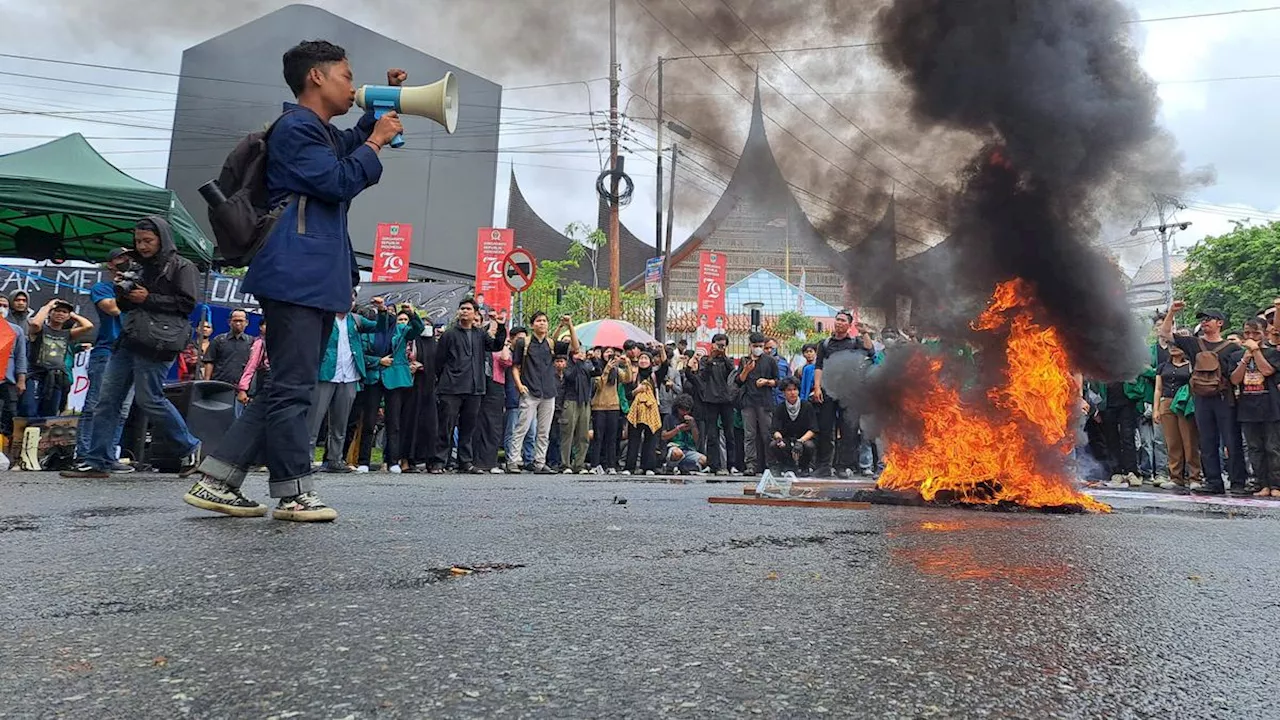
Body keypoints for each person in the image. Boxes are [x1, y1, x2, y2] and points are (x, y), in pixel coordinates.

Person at [182, 41, 406, 522]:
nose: (353, 86)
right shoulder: (297, 129)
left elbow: (346, 148)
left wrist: (384, 105)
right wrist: (375, 142)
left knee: (286, 385)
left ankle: (217, 481)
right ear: (317, 78)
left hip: (306, 274)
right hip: (296, 273)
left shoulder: (315, 130)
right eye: (347, 76)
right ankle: (293, 492)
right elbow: (339, 179)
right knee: (294, 388)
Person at [63, 217, 202, 479]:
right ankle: (98, 460)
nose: (143, 245)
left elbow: (187, 304)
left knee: (150, 399)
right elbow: (125, 307)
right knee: (107, 400)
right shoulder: (138, 267)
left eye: (148, 240)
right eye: (138, 241)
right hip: (129, 339)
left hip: (158, 342)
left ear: (162, 239)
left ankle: (190, 447)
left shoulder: (183, 266)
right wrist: (123, 294)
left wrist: (148, 298)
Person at [1159, 302, 1246, 494]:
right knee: (1206, 441)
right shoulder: (1194, 343)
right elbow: (1165, 335)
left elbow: (1234, 377)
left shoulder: (1232, 348)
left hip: (1225, 398)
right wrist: (1172, 312)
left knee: (1232, 441)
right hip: (1200, 398)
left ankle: (1238, 482)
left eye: (1209, 319)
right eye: (1202, 320)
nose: (1204, 322)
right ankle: (1213, 482)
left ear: (1220, 323)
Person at [306, 293, 381, 474]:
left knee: (340, 422)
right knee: (314, 421)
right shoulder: (324, 318)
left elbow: (380, 327)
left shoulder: (355, 320)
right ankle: (305, 459)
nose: (349, 301)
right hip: (326, 374)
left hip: (349, 376)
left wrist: (382, 310)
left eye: (352, 299)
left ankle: (335, 459)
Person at [75, 248, 135, 462]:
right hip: (107, 351)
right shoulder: (103, 288)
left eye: (129, 258)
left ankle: (107, 456)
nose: (126, 261)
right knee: (96, 405)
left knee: (123, 410)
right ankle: (84, 454)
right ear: (110, 264)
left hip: (132, 353)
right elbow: (111, 308)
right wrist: (125, 291)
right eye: (120, 258)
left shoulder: (139, 289)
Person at [434, 297, 507, 473]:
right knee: (446, 426)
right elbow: (439, 361)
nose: (465, 311)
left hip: (475, 388)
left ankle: (465, 462)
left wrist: (501, 326)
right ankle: (439, 461)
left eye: (468, 309)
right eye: (462, 308)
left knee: (469, 427)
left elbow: (496, 346)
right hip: (451, 388)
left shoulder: (480, 334)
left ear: (475, 313)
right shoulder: (449, 334)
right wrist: (446, 378)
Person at [811, 310, 874, 478]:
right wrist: (817, 387)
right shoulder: (824, 344)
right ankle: (824, 466)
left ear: (848, 324)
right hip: (828, 391)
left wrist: (865, 332)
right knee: (825, 429)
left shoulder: (855, 342)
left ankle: (843, 466)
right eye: (837, 319)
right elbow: (819, 366)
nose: (838, 322)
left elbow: (871, 351)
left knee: (849, 431)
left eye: (842, 320)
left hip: (848, 392)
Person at [507, 312, 565, 474]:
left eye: (545, 321)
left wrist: (565, 326)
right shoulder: (523, 343)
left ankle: (540, 462)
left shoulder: (550, 344)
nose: (542, 323)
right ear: (532, 325)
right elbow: (515, 366)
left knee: (543, 430)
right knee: (522, 427)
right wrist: (519, 385)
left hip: (548, 391)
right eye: (538, 321)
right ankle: (513, 460)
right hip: (530, 389)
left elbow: (573, 347)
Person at [1232, 318, 1280, 497]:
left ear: (1264, 333)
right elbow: (1234, 380)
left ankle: (1276, 485)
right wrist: (1245, 359)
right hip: (1247, 408)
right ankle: (1262, 484)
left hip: (1270, 407)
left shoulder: (1273, 353)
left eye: (1255, 333)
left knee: (1273, 447)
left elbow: (1267, 371)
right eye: (1247, 333)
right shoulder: (1237, 355)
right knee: (1254, 449)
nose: (1251, 337)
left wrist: (1256, 350)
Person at [27, 298, 93, 417]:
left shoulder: (67, 334)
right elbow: (35, 323)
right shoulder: (40, 330)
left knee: (50, 414)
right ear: (50, 313)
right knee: (29, 410)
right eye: (57, 311)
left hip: (57, 378)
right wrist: (48, 306)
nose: (60, 314)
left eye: (64, 312)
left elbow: (88, 326)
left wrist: (72, 314)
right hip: (35, 375)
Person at [379, 305, 425, 473]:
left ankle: (395, 460)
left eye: (405, 320)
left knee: (399, 422)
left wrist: (413, 313)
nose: (402, 322)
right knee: (390, 422)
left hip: (401, 379)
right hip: (381, 375)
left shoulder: (404, 331)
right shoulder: (383, 331)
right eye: (400, 319)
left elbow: (418, 328)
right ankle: (389, 459)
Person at [1153, 342, 1200, 490]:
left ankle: (1194, 477)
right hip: (1166, 403)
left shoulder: (1191, 365)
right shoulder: (1162, 366)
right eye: (1171, 345)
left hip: (1184, 403)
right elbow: (1158, 389)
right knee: (1172, 442)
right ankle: (1176, 477)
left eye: (1177, 345)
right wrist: (1156, 409)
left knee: (1189, 441)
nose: (1173, 347)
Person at [736, 332, 779, 476]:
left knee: (767, 434)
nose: (758, 349)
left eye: (760, 346)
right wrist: (746, 371)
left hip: (765, 402)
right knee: (749, 435)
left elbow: (778, 381)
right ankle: (751, 465)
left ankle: (770, 464)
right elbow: (739, 381)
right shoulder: (744, 361)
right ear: (750, 346)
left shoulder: (770, 361)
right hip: (748, 402)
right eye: (755, 346)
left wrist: (766, 381)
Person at [697, 333, 737, 476]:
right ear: (712, 344)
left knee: (729, 433)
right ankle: (713, 464)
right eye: (718, 344)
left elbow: (732, 373)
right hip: (710, 400)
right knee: (712, 434)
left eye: (723, 345)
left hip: (726, 400)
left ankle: (732, 464)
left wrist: (723, 356)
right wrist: (711, 358)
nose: (720, 347)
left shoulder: (729, 360)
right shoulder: (705, 360)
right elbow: (702, 376)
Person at [558, 326, 596, 474]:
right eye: (576, 350)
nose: (579, 352)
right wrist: (578, 362)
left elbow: (596, 371)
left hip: (585, 401)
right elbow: (570, 377)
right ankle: (565, 464)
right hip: (571, 400)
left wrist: (593, 359)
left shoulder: (587, 364)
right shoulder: (568, 363)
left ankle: (579, 464)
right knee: (568, 433)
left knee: (583, 434)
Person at [771, 377, 817, 475]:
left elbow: (813, 429)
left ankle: (804, 467)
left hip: (803, 439)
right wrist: (779, 439)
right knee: (774, 445)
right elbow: (775, 429)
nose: (792, 393)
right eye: (789, 390)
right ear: (784, 392)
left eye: (795, 389)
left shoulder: (807, 406)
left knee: (809, 445)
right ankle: (787, 466)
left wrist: (800, 441)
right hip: (787, 439)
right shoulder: (780, 408)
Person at [662, 393, 706, 474]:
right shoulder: (669, 418)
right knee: (678, 453)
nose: (685, 412)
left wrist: (693, 426)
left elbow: (697, 440)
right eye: (682, 410)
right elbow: (664, 436)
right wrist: (678, 429)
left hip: (688, 449)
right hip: (674, 448)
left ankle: (685, 467)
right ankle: (670, 466)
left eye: (687, 410)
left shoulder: (692, 420)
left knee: (704, 460)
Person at [0, 314, 27, 438]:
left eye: (4, 305)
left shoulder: (16, 330)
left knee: (11, 415)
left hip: (8, 380)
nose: (1, 308)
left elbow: (20, 357)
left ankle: (7, 450)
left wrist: (21, 380)